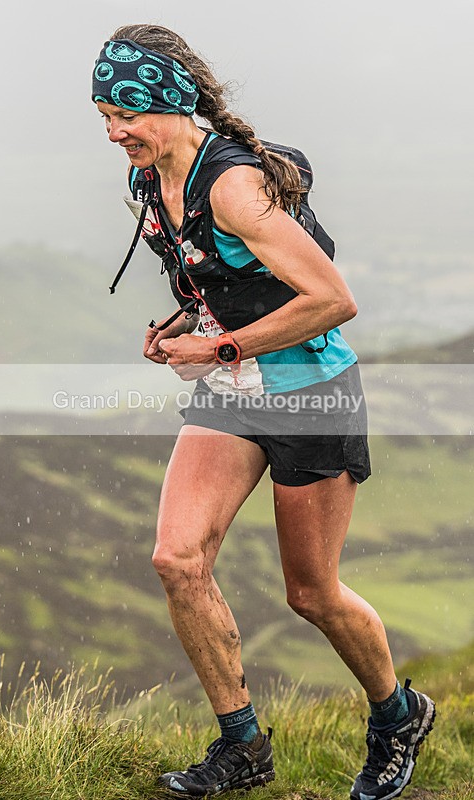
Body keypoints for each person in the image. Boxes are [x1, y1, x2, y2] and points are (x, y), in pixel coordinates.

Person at [92, 24, 435, 799]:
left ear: (174, 104)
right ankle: (242, 748)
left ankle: (396, 716)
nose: (115, 131)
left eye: (128, 113)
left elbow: (331, 300)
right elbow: (216, 282)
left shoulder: (233, 186)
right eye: (104, 114)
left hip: (310, 392)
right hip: (234, 393)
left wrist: (218, 351)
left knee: (310, 593)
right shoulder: (154, 180)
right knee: (177, 560)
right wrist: (182, 327)